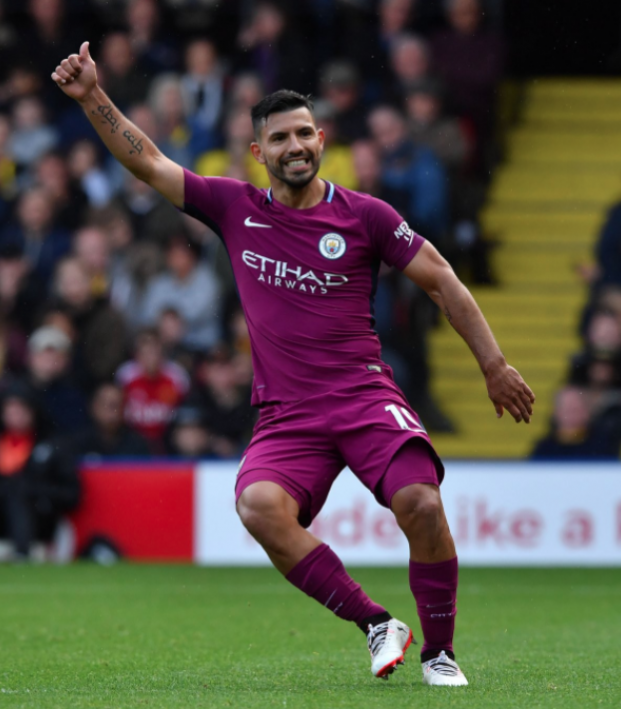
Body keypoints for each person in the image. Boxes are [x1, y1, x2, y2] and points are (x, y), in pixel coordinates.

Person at [51, 43, 535, 686]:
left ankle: (440, 652)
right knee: (257, 507)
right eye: (280, 137)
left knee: (420, 501)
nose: (296, 145)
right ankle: (376, 624)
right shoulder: (235, 208)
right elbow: (150, 162)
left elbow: (443, 280)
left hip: (363, 396)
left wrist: (494, 365)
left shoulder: (365, 216)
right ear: (259, 153)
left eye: (305, 132)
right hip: (287, 414)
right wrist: (92, 98)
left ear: (322, 139)